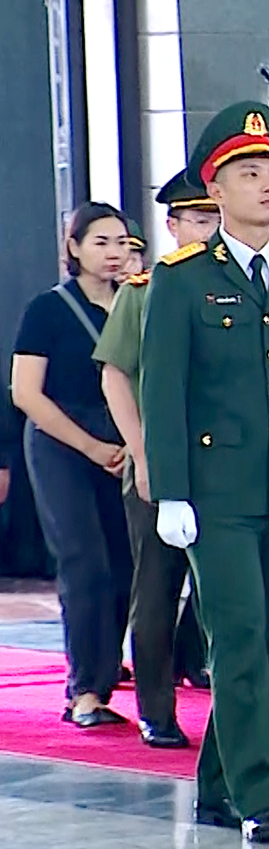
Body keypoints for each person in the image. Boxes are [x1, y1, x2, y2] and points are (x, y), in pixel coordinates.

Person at [140, 101, 269, 842]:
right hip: (216, 492)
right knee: (235, 635)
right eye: (249, 173)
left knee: (264, 645)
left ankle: (216, 785)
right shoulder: (182, 279)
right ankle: (263, 795)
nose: (267, 186)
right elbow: (161, 389)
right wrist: (169, 488)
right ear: (216, 190)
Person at [93, 171, 220, 749]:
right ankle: (157, 709)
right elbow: (115, 374)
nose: (208, 228)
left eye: (213, 217)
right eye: (196, 219)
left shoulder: (243, 284)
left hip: (227, 463)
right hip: (161, 462)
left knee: (231, 591)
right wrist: (142, 454)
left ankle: (241, 713)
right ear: (172, 226)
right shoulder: (144, 290)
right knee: (158, 587)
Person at [11, 202, 133, 727]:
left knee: (127, 566)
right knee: (85, 563)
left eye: (122, 242)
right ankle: (84, 692)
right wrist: (90, 446)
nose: (114, 252)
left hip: (124, 441)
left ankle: (107, 672)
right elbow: (26, 394)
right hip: (61, 442)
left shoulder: (137, 302)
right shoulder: (48, 309)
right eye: (101, 241)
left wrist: (132, 443)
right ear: (74, 247)